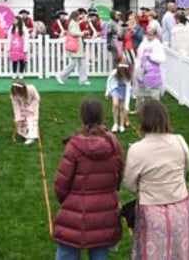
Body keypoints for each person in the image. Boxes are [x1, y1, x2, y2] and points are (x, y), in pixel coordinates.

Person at [52, 98, 123, 259]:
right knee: (99, 253)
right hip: (104, 212)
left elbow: (61, 183)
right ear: (102, 117)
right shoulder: (114, 144)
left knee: (67, 254)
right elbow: (118, 177)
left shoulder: (74, 145)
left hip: (75, 211)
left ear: (82, 117)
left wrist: (68, 200)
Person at [123, 100, 189, 258]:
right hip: (181, 208)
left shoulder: (137, 149)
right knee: (180, 253)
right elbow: (186, 170)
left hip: (152, 212)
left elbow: (129, 183)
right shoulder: (180, 141)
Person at [135, 27, 166, 110]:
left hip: (153, 72)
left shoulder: (158, 45)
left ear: (155, 35)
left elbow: (162, 59)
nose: (149, 37)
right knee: (140, 91)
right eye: (147, 34)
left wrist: (151, 57)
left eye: (151, 35)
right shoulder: (144, 43)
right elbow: (139, 54)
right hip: (143, 70)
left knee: (154, 93)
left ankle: (156, 109)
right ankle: (139, 108)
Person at [55, 10, 89, 86]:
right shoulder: (73, 23)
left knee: (82, 63)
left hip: (78, 46)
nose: (79, 17)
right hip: (75, 46)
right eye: (78, 16)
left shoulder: (74, 23)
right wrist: (83, 33)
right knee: (73, 63)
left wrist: (82, 33)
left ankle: (83, 80)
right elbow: (73, 33)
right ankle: (61, 75)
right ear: (75, 16)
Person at [10, 80, 40, 145]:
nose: (15, 91)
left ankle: (31, 137)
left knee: (31, 119)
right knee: (21, 121)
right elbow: (16, 106)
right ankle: (24, 134)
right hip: (22, 108)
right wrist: (18, 117)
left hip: (33, 106)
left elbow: (37, 99)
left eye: (17, 90)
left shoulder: (31, 88)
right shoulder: (13, 95)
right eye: (14, 89)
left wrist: (30, 109)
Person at [105, 63, 132, 133]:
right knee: (115, 104)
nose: (122, 72)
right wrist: (107, 92)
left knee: (122, 107)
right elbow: (108, 81)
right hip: (115, 88)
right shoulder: (114, 73)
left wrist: (127, 106)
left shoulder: (128, 76)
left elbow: (128, 90)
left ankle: (121, 125)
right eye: (121, 70)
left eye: (124, 70)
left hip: (123, 90)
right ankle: (115, 124)